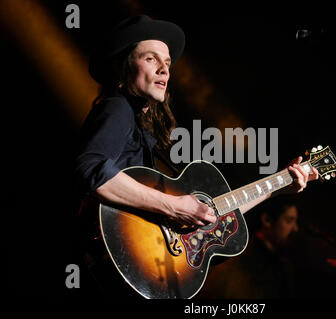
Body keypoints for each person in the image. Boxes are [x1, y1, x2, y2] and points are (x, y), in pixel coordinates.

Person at [74, 15, 318, 295]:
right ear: (123, 65)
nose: (164, 71)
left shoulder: (140, 128)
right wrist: (175, 206)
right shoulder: (117, 108)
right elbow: (91, 168)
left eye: (167, 64)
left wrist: (277, 187)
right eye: (151, 59)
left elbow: (211, 213)